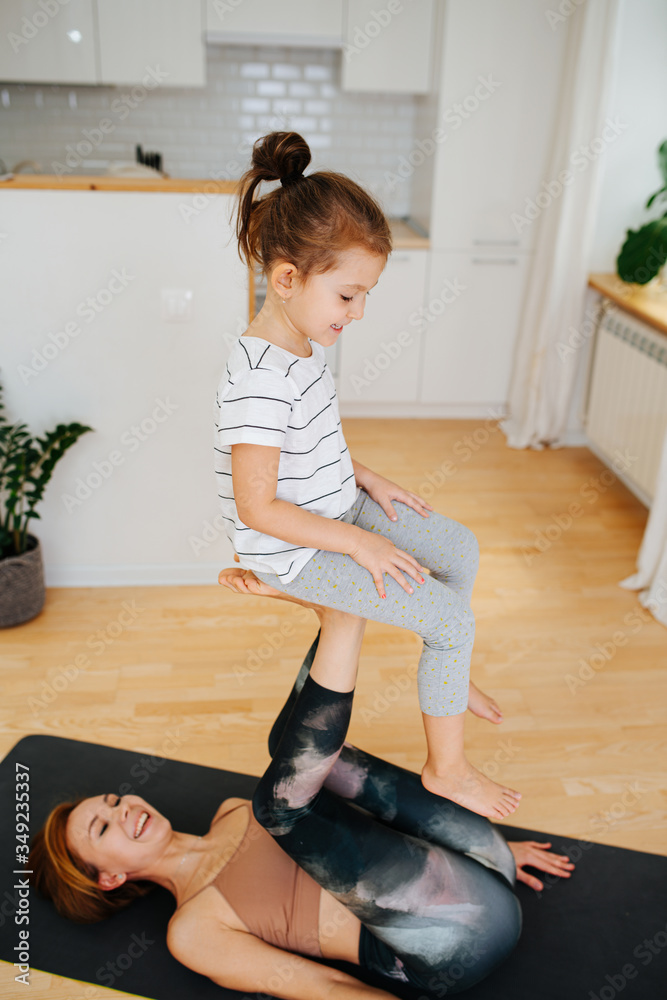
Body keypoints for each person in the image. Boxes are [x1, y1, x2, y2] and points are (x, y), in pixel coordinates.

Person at [30, 592, 573, 999]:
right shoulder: (191, 930)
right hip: (454, 942)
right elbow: (324, 988)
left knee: (283, 762)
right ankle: (344, 616)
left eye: (112, 800)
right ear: (108, 878)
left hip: (473, 864)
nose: (123, 810)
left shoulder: (229, 813)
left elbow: (374, 822)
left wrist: (486, 849)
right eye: (103, 827)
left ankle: (340, 605)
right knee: (279, 802)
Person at [215, 130, 519, 819]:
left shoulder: (301, 345)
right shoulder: (258, 378)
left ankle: (449, 669)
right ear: (287, 277)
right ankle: (447, 767)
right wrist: (360, 542)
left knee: (459, 549)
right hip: (296, 548)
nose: (358, 313)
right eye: (348, 295)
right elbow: (257, 507)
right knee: (445, 618)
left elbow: (312, 443)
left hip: (336, 510)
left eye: (363, 295)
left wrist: (368, 479)